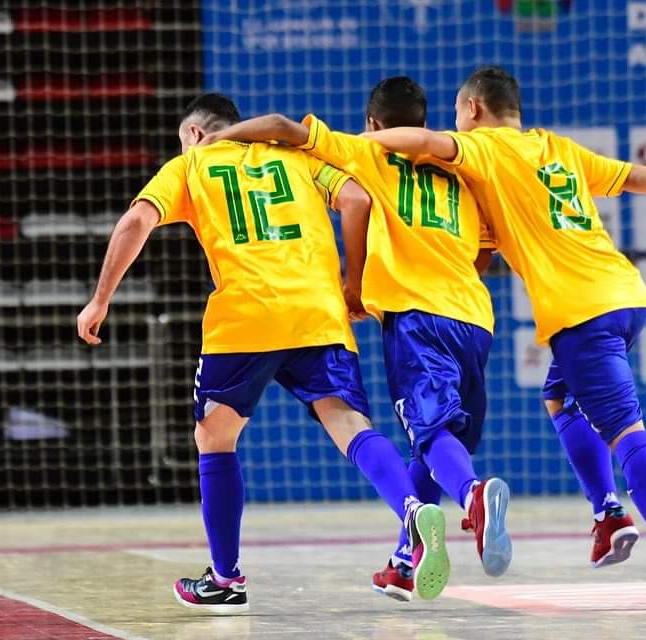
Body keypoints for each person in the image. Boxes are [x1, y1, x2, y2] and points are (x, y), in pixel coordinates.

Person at [362, 65, 646, 610]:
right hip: (625, 292)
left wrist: (353, 144)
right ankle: (608, 512)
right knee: (559, 397)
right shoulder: (555, 148)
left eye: (456, 117)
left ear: (472, 110)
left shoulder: (486, 148)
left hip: (580, 310)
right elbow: (630, 175)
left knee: (624, 428)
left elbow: (421, 142)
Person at [76, 93, 451, 613]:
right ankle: (410, 508)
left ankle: (226, 578)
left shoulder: (190, 162)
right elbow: (359, 200)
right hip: (318, 312)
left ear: (193, 132)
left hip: (246, 317)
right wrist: (352, 283)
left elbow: (136, 221)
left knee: (215, 436)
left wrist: (99, 300)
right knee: (349, 425)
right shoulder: (297, 158)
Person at [201, 76, 512, 602]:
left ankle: (474, 494)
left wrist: (354, 283)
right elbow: (488, 251)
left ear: (373, 124)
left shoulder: (369, 154)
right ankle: (404, 560)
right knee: (431, 440)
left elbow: (283, 130)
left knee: (430, 435)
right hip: (475, 317)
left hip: (416, 318)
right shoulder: (460, 167)